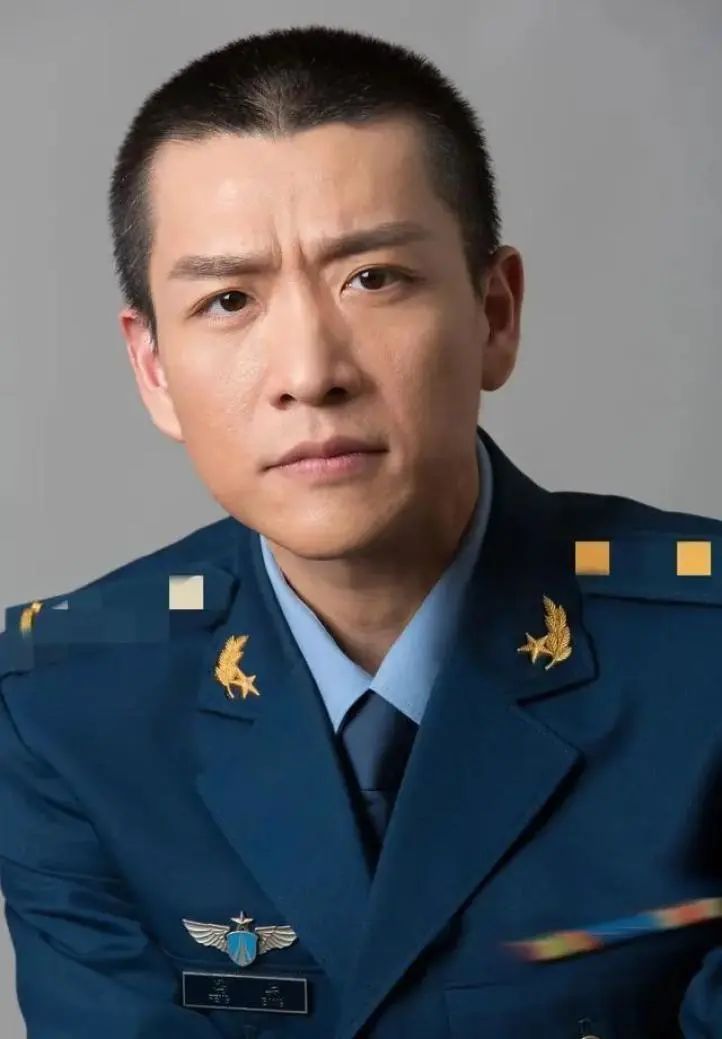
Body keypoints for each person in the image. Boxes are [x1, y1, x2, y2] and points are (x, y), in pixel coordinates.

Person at [1, 22, 721, 1039]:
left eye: (373, 278)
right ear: (153, 369)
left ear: (494, 312)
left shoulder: (703, 655)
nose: (309, 372)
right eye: (227, 299)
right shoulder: (65, 704)